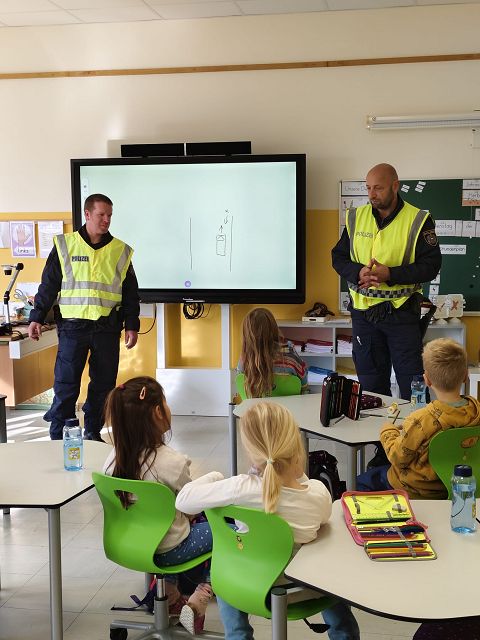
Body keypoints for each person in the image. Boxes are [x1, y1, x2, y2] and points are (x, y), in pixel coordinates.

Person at [176, 402, 360, 640]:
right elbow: (315, 511)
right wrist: (295, 471)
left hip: (247, 586)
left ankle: (238, 636)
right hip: (303, 588)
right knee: (329, 559)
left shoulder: (240, 488)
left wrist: (216, 476)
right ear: (296, 447)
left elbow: (183, 501)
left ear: (252, 453)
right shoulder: (318, 494)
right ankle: (345, 634)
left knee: (228, 560)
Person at [103, 376, 214, 630]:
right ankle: (200, 598)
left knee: (169, 524)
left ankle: (170, 595)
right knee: (227, 531)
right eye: (165, 402)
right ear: (157, 412)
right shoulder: (172, 462)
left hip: (128, 544)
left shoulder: (111, 460)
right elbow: (192, 504)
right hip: (167, 549)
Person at [28, 193, 140, 441]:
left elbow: (131, 294)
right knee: (66, 384)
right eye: (101, 215)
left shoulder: (120, 251)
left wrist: (132, 325)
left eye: (110, 215)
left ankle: (92, 432)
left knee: (103, 385)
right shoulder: (65, 245)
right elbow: (49, 285)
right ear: (87, 214)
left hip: (107, 328)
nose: (106, 220)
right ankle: (59, 434)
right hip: (72, 328)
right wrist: (36, 317)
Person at [331, 163, 441, 401]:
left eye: (378, 188)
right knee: (371, 389)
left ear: (395, 186)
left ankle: (417, 426)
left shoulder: (418, 219)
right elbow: (338, 257)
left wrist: (390, 274)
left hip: (402, 315)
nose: (372, 194)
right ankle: (380, 427)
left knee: (413, 386)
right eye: (368, 188)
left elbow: (431, 266)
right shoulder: (356, 217)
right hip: (364, 316)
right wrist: (358, 272)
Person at [356, 338, 480, 498]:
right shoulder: (476, 411)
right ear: (465, 376)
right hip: (459, 486)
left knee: (359, 482)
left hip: (416, 490)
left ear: (426, 380)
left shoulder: (420, 420)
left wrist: (387, 429)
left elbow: (397, 457)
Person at [238, 307, 308, 397]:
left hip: (256, 406)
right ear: (274, 329)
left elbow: (241, 384)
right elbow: (304, 386)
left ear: (246, 334)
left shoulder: (244, 360)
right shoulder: (291, 358)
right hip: (287, 406)